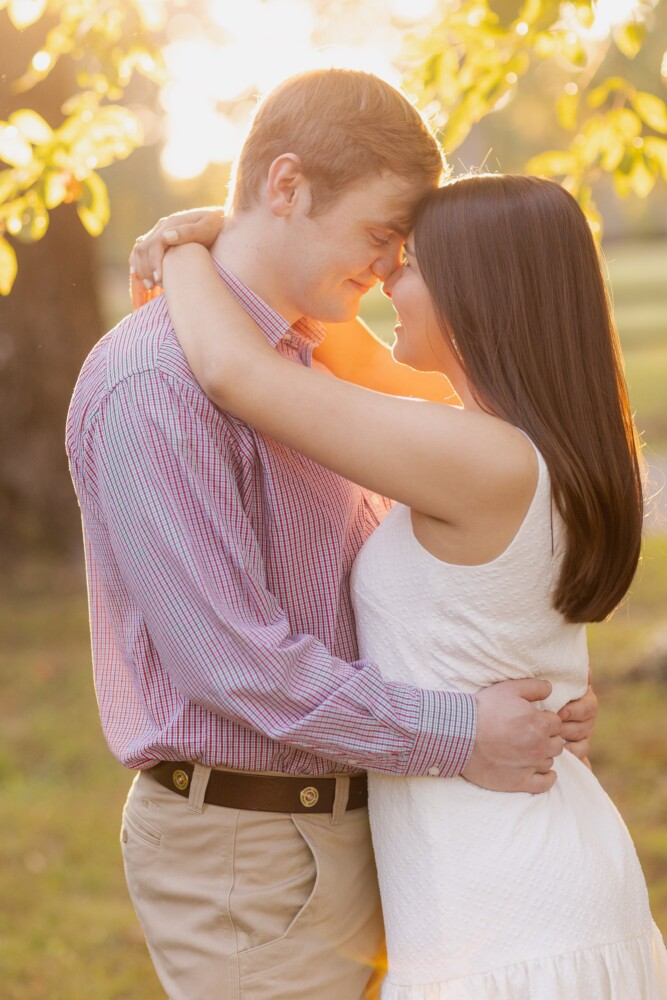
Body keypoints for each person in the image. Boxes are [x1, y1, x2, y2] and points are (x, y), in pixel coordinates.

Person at [67, 70, 597, 1000]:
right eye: (381, 233)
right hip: (252, 850)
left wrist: (520, 694)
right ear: (286, 186)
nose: (393, 265)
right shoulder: (155, 385)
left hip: (375, 820)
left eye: (405, 246)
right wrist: (460, 727)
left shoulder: (303, 363)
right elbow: (236, 666)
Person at [145, 171, 667, 997]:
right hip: (512, 879)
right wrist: (245, 237)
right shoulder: (520, 450)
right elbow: (330, 351)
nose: (387, 276)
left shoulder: (483, 460)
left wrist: (183, 247)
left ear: (480, 290)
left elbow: (237, 374)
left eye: (412, 262)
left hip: (506, 903)